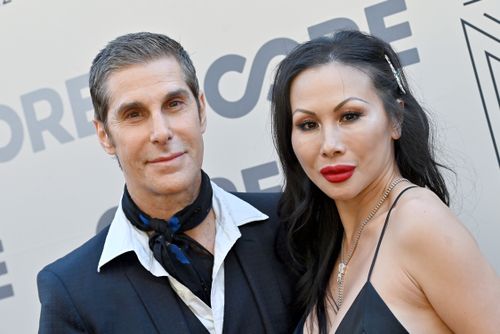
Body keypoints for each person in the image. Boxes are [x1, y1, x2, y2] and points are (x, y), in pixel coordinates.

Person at [37, 32, 295, 334]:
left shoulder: (291, 222)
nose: (161, 132)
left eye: (173, 104)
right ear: (104, 135)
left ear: (200, 110)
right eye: (134, 114)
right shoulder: (70, 291)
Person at [271, 30, 500, 333]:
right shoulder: (331, 246)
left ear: (395, 119)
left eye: (349, 116)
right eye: (308, 124)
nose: (329, 144)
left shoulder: (419, 222)